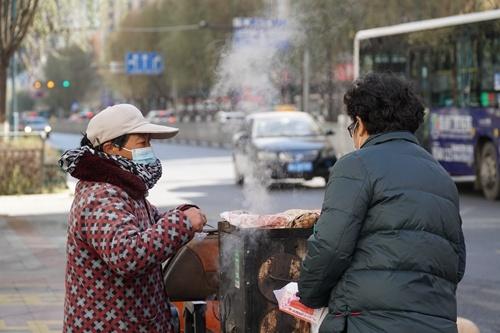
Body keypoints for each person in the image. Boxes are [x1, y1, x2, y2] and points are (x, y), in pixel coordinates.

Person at [298, 73, 466, 333]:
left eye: (352, 128)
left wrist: (306, 295)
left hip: (364, 322)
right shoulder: (442, 176)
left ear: (361, 124)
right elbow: (456, 263)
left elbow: (331, 248)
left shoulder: (356, 166)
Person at [59, 104, 207, 332]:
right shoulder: (101, 195)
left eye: (149, 142)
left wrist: (183, 213)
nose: (149, 149)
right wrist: (183, 222)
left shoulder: (122, 188)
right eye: (142, 143)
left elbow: (152, 224)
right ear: (111, 148)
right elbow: (126, 254)